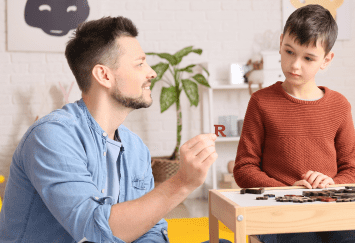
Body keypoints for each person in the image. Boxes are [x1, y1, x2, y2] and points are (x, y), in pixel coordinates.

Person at [0, 16, 230, 243]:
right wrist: (182, 182)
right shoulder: (51, 135)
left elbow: (150, 230)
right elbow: (93, 229)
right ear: (104, 75)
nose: (152, 73)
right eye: (140, 64)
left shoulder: (135, 147)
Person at [233, 4, 355, 243]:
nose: (295, 65)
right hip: (279, 211)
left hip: (331, 209)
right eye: (289, 51)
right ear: (281, 43)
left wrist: (332, 183)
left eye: (308, 58)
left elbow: (353, 171)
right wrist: (287, 190)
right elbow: (244, 168)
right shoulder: (260, 102)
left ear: (326, 60)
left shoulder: (340, 106)